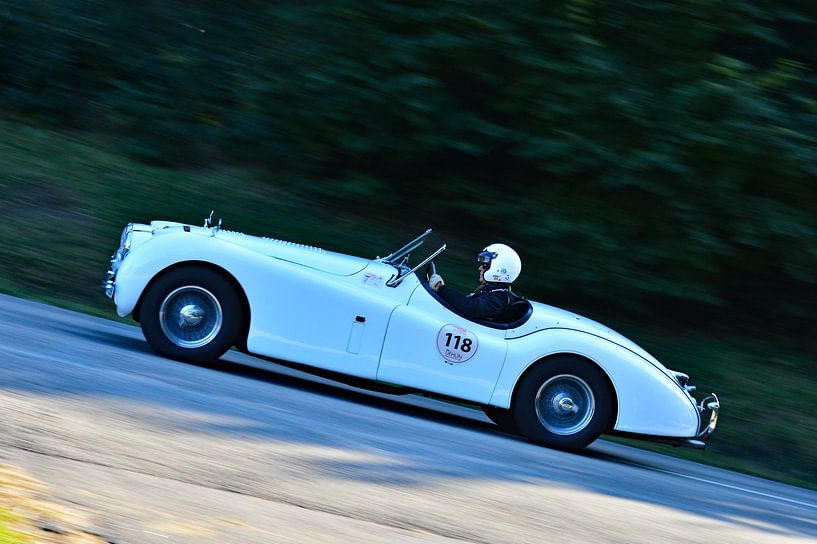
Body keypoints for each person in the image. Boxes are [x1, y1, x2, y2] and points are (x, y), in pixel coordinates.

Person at [429, 243, 521, 320]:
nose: (480, 268)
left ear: (499, 270)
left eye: (485, 265)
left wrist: (440, 288)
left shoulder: (500, 299)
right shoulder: (492, 291)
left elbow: (470, 307)